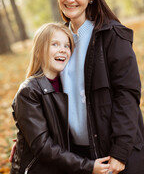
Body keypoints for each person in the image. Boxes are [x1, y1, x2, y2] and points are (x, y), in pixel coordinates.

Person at [56, 0, 144, 174]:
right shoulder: (58, 41)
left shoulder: (112, 35)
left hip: (112, 153)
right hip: (77, 155)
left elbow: (127, 93)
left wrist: (120, 151)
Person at [10, 23, 111, 174]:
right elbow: (43, 147)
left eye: (67, 45)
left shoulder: (67, 86)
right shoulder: (29, 92)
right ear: (39, 51)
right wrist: (89, 166)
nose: (63, 50)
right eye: (55, 44)